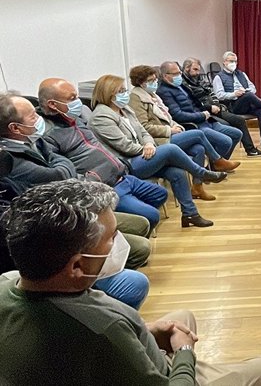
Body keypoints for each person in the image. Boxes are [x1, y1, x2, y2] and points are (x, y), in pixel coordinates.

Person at [0, 180, 261, 385]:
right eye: (111, 238)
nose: (119, 242)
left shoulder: (9, 282)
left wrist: (143, 331)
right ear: (77, 265)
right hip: (166, 375)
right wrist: (183, 354)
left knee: (182, 317)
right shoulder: (104, 330)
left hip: (99, 360)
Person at [0, 93, 150, 307]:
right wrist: (61, 167)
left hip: (80, 205)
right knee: (136, 269)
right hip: (61, 231)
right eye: (33, 116)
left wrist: (61, 167)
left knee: (137, 233)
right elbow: (59, 174)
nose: (40, 120)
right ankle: (92, 301)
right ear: (15, 128)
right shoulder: (9, 160)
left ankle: (100, 291)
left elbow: (61, 164)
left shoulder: (32, 141)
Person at [89, 75, 226, 228]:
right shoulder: (101, 116)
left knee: (177, 173)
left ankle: (190, 214)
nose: (125, 93)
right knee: (171, 149)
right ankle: (201, 173)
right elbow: (124, 146)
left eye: (125, 90)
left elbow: (143, 131)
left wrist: (149, 144)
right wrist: (147, 148)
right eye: (120, 91)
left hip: (144, 155)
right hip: (128, 164)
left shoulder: (125, 109)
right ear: (108, 93)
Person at [38, 77, 169, 228]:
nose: (78, 101)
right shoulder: (49, 135)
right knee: (152, 215)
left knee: (161, 194)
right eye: (72, 98)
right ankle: (114, 223)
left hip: (122, 175)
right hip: (105, 187)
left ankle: (122, 219)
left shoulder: (76, 119)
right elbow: (63, 173)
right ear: (53, 105)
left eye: (77, 96)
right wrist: (96, 183)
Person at [128, 65, 238, 201]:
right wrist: (170, 129)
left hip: (172, 132)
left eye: (155, 79)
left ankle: (197, 188)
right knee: (198, 134)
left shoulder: (153, 95)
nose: (155, 82)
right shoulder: (136, 98)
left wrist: (176, 126)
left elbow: (167, 116)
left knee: (199, 148)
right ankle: (217, 161)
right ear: (141, 82)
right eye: (151, 80)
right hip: (158, 140)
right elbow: (144, 127)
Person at [157, 61, 244, 163]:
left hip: (206, 120)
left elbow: (196, 103)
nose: (179, 76)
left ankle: (218, 164)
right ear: (165, 76)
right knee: (226, 141)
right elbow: (178, 115)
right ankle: (218, 164)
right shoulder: (163, 91)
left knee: (237, 134)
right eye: (176, 74)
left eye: (179, 72)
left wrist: (206, 110)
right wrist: (201, 115)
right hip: (194, 125)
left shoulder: (181, 86)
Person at [181, 57, 261, 158]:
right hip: (204, 111)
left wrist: (217, 104)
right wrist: (210, 107)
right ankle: (248, 151)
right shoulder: (184, 84)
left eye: (199, 69)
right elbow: (194, 102)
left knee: (243, 117)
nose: (198, 72)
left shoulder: (199, 78)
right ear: (187, 68)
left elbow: (211, 92)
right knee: (237, 120)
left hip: (216, 108)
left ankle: (244, 152)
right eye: (195, 69)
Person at [212, 51, 261, 151]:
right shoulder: (219, 77)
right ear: (224, 62)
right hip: (232, 106)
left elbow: (253, 88)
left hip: (246, 101)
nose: (233, 63)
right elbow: (219, 95)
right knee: (249, 96)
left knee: (260, 111)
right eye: (231, 61)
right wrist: (234, 94)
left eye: (235, 61)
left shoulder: (242, 74)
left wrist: (246, 91)